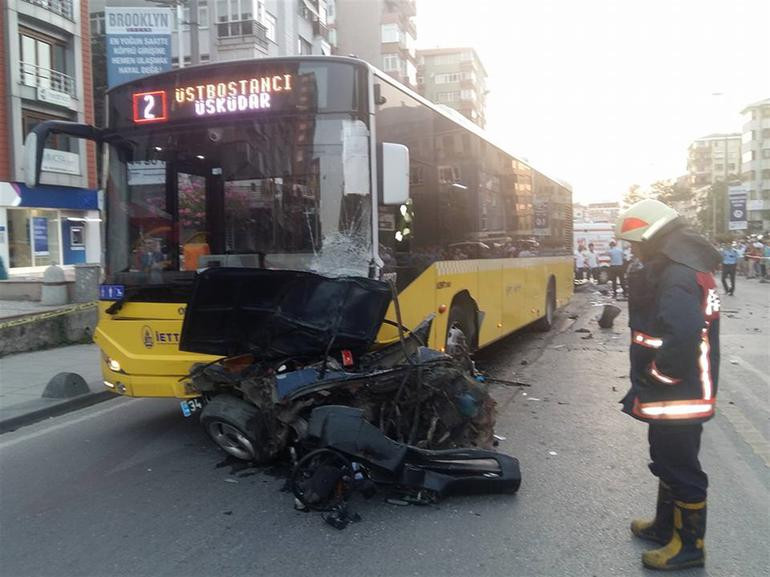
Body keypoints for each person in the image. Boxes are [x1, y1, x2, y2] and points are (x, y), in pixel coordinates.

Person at [615, 199, 721, 571]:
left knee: (680, 465)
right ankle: (666, 527)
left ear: (651, 236)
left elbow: (683, 334)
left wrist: (659, 375)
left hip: (678, 390)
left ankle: (689, 547)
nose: (633, 250)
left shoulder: (677, 274)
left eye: (634, 243)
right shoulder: (683, 266)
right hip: (676, 390)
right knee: (665, 458)